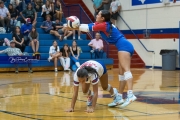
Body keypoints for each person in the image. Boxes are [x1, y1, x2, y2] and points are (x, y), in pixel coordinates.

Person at [65, 10, 137, 108]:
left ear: (103, 18)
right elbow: (88, 25)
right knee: (121, 74)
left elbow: (87, 28)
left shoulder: (103, 25)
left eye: (98, 14)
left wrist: (72, 26)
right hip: (123, 45)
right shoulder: (102, 24)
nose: (96, 15)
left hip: (124, 46)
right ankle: (119, 97)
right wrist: (74, 25)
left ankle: (130, 94)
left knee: (127, 71)